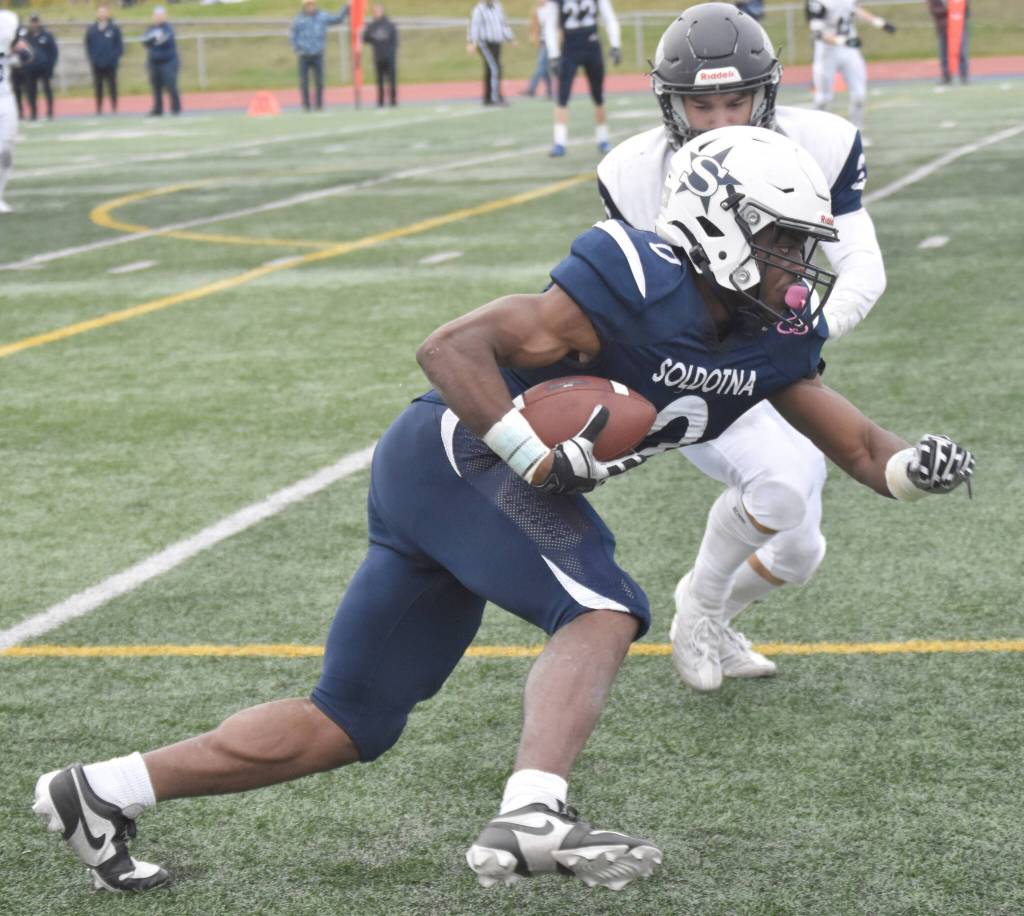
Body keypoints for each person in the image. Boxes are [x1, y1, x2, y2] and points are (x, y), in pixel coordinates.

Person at [31, 125, 974, 894]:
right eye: (777, 242)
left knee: (352, 720)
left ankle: (100, 790)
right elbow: (449, 349)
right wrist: (530, 448)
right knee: (602, 609)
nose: (793, 267)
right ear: (722, 224)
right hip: (461, 449)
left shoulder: (772, 337)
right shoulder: (633, 277)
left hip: (458, 485)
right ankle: (534, 813)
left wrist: (912, 470)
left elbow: (856, 446)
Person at [597, 3, 889, 690]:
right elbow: (631, 300)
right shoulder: (634, 173)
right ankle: (697, 608)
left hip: (782, 362)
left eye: (738, 100)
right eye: (704, 106)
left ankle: (716, 617)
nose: (724, 119)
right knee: (782, 489)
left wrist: (803, 336)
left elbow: (863, 265)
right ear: (673, 107)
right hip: (702, 365)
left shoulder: (821, 142)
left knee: (799, 552)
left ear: (767, 95)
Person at [544, 0, 622, 157]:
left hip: (591, 45)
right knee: (562, 96)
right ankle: (559, 142)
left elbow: (609, 17)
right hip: (569, 48)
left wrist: (615, 44)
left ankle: (603, 138)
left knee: (598, 95)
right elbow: (549, 25)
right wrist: (553, 55)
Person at [805, 0, 897, 132]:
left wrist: (879, 22)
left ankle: (856, 133)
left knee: (859, 95)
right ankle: (811, 132)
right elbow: (818, 33)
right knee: (823, 99)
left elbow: (853, 9)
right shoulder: (818, 2)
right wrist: (843, 40)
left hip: (849, 49)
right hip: (827, 51)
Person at [290, 0, 350, 112]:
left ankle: (319, 105)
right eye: (308, 5)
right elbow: (293, 34)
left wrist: (347, 7)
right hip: (304, 55)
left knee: (319, 81)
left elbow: (337, 19)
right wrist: (296, 48)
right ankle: (306, 105)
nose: (310, 7)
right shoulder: (298, 19)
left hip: (318, 54)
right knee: (304, 82)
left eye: (312, 4)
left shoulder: (322, 16)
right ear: (304, 6)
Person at [0, 11, 29, 213]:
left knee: (6, 147)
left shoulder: (8, 20)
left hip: (4, 95)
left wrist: (18, 56)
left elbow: (24, 53)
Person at [466, 0, 514, 107]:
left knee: (491, 69)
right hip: (485, 43)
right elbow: (474, 26)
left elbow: (503, 24)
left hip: (496, 43)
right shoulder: (478, 9)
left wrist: (510, 38)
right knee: (495, 68)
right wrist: (472, 42)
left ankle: (487, 97)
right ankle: (494, 97)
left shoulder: (498, 6)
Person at [85, 5, 124, 115]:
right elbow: (88, 45)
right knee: (98, 86)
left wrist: (114, 58)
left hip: (110, 64)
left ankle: (114, 107)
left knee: (112, 86)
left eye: (104, 12)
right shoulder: (92, 29)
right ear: (97, 14)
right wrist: (93, 58)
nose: (102, 14)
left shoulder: (114, 28)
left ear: (108, 13)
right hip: (97, 63)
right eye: (100, 12)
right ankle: (99, 108)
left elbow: (119, 46)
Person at [142, 7, 180, 117]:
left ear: (164, 16)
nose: (158, 17)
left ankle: (175, 108)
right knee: (156, 86)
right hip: (154, 61)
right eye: (156, 15)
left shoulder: (168, 28)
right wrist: (152, 39)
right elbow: (145, 42)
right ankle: (158, 109)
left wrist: (153, 39)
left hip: (168, 61)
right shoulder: (150, 29)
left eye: (160, 15)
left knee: (170, 85)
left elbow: (164, 39)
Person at [361, 4, 398, 108]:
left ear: (382, 11)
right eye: (375, 11)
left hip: (389, 58)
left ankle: (393, 101)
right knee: (379, 82)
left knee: (391, 81)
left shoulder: (389, 25)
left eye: (378, 11)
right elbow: (365, 39)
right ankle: (380, 102)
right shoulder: (372, 26)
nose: (376, 13)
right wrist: (365, 32)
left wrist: (391, 54)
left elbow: (395, 42)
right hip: (378, 57)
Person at [925, 0, 969, 85]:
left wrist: (957, 12)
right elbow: (934, 10)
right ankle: (946, 77)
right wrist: (950, 10)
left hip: (958, 27)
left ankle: (964, 76)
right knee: (944, 53)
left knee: (961, 51)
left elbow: (965, 8)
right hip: (943, 28)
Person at [25, 14, 58, 121]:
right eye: (32, 21)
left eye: (36, 21)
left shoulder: (47, 35)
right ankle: (33, 112)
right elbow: (22, 51)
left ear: (39, 22)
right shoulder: (26, 36)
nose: (34, 24)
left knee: (47, 89)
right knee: (31, 91)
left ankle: (50, 110)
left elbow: (53, 52)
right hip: (31, 69)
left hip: (44, 68)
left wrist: (50, 66)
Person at [523, 0, 553, 99]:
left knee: (541, 65)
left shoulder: (552, 8)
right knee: (544, 68)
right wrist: (533, 37)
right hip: (542, 41)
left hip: (551, 41)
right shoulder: (536, 11)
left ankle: (531, 89)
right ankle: (549, 91)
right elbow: (533, 26)